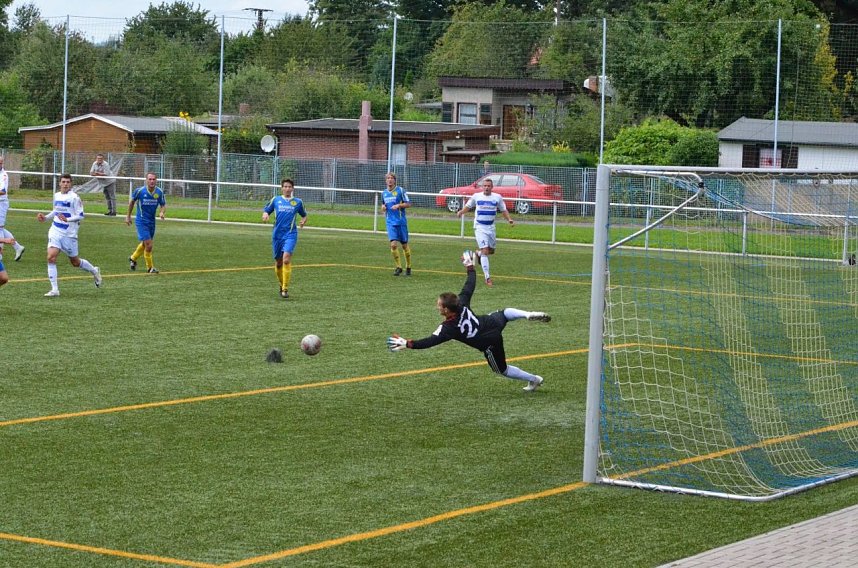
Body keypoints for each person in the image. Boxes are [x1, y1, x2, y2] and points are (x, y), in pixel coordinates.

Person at [387, 251, 550, 391]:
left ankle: (534, 379)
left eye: (439, 305)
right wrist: (470, 266)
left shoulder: (448, 328)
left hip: (489, 342)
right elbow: (470, 283)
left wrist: (408, 344)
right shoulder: (462, 301)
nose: (437, 307)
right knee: (505, 313)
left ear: (446, 310)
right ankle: (527, 314)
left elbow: (429, 342)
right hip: (489, 322)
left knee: (502, 370)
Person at [36, 173, 102, 297]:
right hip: (55, 230)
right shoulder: (56, 196)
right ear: (60, 183)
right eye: (63, 182)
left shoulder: (75, 198)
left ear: (70, 184)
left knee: (75, 262)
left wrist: (68, 219)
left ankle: (94, 270)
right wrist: (45, 218)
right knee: (51, 257)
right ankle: (55, 289)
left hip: (69, 234)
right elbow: (56, 211)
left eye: (68, 182)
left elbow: (80, 215)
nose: (65, 184)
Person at [456, 178, 514, 286]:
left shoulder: (497, 197)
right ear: (482, 187)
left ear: (492, 187)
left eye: (488, 186)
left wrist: (509, 219)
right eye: (485, 186)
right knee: (485, 250)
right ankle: (487, 277)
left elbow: (503, 210)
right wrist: (461, 212)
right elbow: (468, 207)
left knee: (491, 251)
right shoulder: (476, 196)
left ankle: (477, 254)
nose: (486, 187)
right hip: (480, 227)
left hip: (491, 227)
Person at [262, 178, 307, 299]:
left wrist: (303, 221)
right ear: (282, 188)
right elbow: (267, 210)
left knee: (286, 259)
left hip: (291, 234)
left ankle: (285, 289)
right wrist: (265, 214)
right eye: (285, 186)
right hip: (277, 235)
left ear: (293, 188)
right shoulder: (276, 200)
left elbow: (304, 215)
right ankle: (281, 285)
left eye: (289, 187)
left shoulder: (298, 202)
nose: (287, 189)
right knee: (278, 263)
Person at [126, 172, 166, 274]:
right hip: (141, 221)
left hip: (152, 222)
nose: (152, 181)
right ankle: (150, 268)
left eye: (153, 179)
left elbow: (163, 205)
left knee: (145, 244)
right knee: (149, 245)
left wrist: (161, 212)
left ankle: (133, 258)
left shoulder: (159, 192)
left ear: (156, 180)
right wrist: (128, 216)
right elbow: (132, 202)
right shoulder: (139, 191)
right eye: (150, 179)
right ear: (146, 180)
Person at [381, 172, 412, 276]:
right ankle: (398, 267)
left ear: (395, 180)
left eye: (392, 178)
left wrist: (399, 205)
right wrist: (383, 208)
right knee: (393, 245)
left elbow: (408, 204)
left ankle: (408, 266)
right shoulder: (384, 193)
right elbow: (383, 205)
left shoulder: (400, 190)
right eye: (388, 178)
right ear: (386, 180)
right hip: (390, 222)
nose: (390, 180)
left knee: (404, 246)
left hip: (401, 222)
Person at [0, 155, 26, 262]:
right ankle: (17, 247)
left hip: (1, 203)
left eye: (1, 163)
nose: (0, 164)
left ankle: (0, 255)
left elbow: (3, 191)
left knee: (0, 228)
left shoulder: (3, 176)